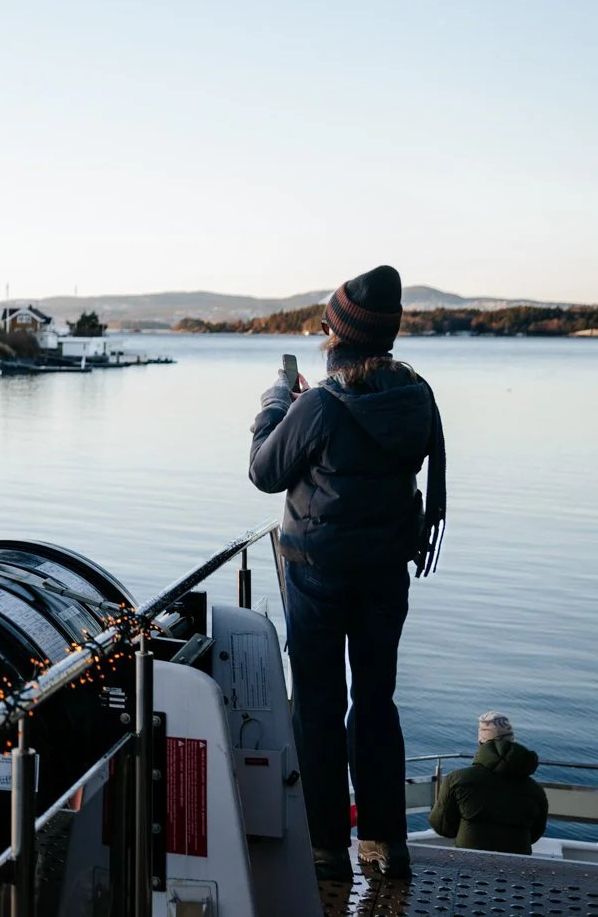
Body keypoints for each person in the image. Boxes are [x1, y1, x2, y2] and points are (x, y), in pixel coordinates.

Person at [248, 265, 447, 882]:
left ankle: (327, 848)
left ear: (338, 335)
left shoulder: (319, 405)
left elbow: (264, 471)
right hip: (387, 572)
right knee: (376, 702)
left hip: (316, 573)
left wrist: (275, 405)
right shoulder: (416, 397)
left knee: (318, 705)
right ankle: (386, 842)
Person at [429, 712, 549, 855]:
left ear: (481, 743)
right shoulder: (535, 790)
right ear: (513, 742)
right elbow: (534, 835)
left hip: (469, 864)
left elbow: (443, 827)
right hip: (517, 868)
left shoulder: (457, 780)